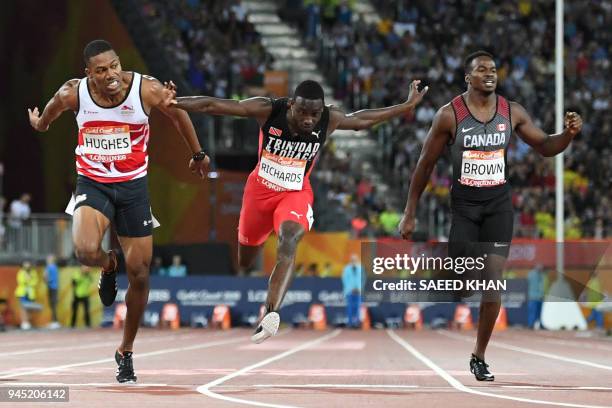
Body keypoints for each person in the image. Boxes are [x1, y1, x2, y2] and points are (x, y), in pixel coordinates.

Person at [166, 77, 428, 343]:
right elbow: (214, 105)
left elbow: (363, 120)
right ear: (291, 104)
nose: (308, 120)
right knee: (245, 261)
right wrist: (174, 101)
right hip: (259, 192)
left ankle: (270, 314)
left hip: (295, 193)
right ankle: (259, 277)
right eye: (302, 112)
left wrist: (405, 107)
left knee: (289, 240)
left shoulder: (329, 119)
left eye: (314, 114)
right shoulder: (268, 109)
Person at [27, 39, 209, 383]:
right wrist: (41, 124)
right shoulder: (74, 93)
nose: (111, 75)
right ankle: (109, 264)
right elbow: (51, 111)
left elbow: (178, 112)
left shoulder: (145, 89)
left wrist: (198, 155)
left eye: (114, 66)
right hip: (93, 183)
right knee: (84, 250)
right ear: (88, 74)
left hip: (132, 188)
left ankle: (125, 351)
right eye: (101, 71)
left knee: (140, 273)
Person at [399, 50, 582, 381]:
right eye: (482, 69)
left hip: (498, 206)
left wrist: (568, 135)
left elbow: (545, 146)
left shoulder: (511, 112)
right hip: (465, 209)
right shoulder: (448, 115)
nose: (490, 73)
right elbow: (425, 164)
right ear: (468, 77)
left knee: (493, 280)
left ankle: (479, 356)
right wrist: (410, 212)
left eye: (493, 69)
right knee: (461, 286)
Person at [14, 261, 42, 330]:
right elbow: (20, 281)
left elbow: (35, 281)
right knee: (23, 308)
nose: (27, 265)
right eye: (25, 264)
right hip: (22, 293)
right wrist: (27, 280)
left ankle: (28, 322)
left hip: (30, 293)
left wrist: (29, 280)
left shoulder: (33, 272)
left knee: (29, 308)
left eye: (28, 263)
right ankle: (24, 322)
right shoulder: (21, 272)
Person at [342, 254, 363, 328]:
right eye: (352, 260)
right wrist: (350, 288)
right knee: (350, 307)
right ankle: (350, 323)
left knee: (358, 307)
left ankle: (357, 322)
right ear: (350, 260)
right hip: (349, 291)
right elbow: (344, 280)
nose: (354, 261)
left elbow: (363, 279)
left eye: (355, 259)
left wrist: (359, 288)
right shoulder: (347, 268)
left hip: (358, 291)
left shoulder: (360, 268)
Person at [527, 264, 546, 329]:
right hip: (533, 297)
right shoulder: (532, 274)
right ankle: (531, 324)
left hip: (539, 297)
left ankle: (540, 324)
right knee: (533, 311)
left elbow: (542, 286)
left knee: (539, 312)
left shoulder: (542, 275)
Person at [44, 255, 61, 329]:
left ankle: (55, 321)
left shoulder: (49, 267)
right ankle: (54, 321)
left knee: (53, 305)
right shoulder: (55, 267)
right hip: (55, 287)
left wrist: (46, 280)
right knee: (53, 305)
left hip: (52, 287)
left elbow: (45, 277)